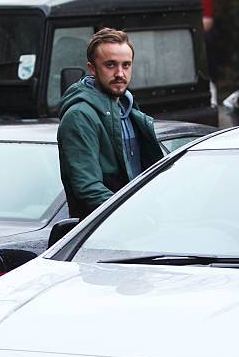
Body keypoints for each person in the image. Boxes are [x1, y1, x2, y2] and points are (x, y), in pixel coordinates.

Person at [57, 27, 163, 218]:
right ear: (92, 68)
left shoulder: (128, 109)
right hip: (101, 231)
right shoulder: (80, 116)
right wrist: (132, 215)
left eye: (126, 65)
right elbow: (88, 187)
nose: (120, 73)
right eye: (111, 65)